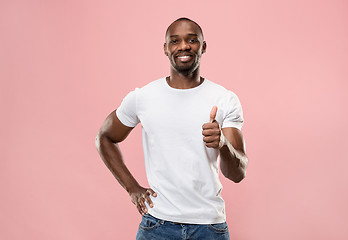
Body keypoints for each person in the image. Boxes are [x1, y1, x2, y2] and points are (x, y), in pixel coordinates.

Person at [95, 17, 248, 240]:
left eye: (192, 40)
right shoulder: (143, 97)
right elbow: (104, 137)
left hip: (209, 227)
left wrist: (223, 145)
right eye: (175, 41)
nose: (183, 46)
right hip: (157, 226)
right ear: (166, 49)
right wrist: (132, 188)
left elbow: (238, 173)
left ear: (203, 46)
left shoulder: (224, 99)